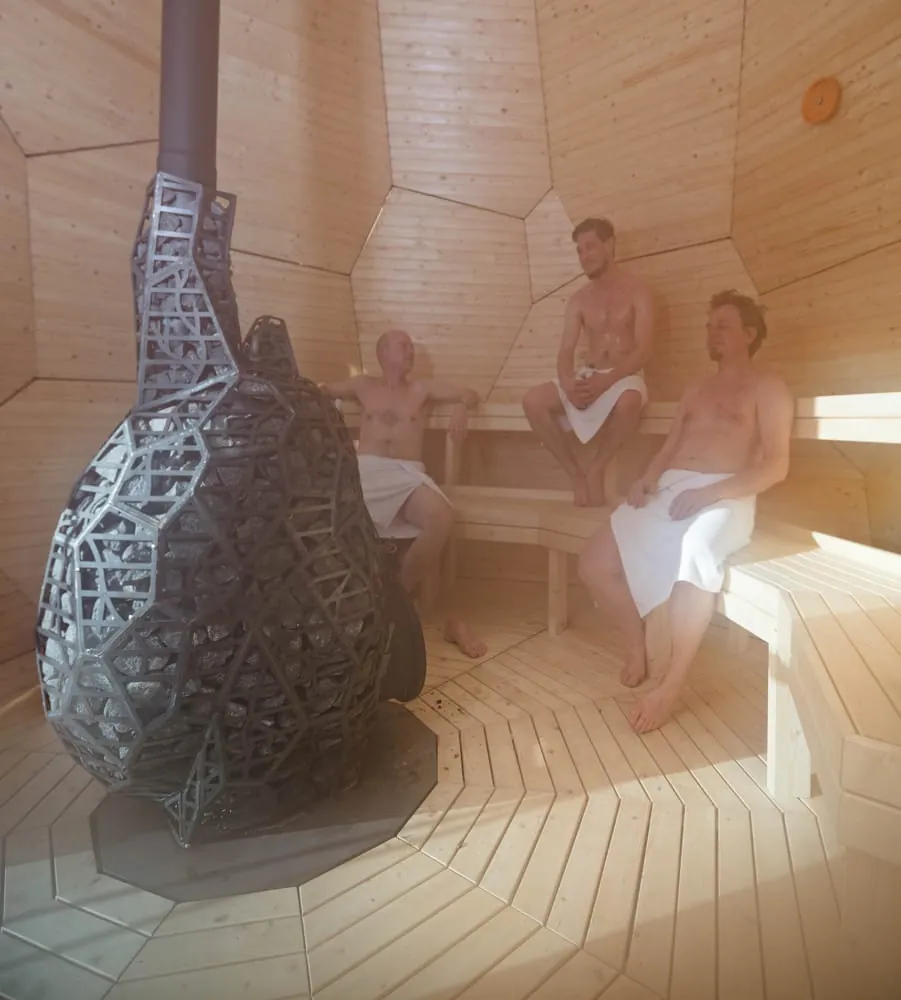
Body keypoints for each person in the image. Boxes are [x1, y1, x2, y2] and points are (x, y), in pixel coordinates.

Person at [577, 290, 794, 733]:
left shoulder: (769, 388)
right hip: (670, 488)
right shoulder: (696, 389)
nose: (712, 333)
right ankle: (636, 642)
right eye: (709, 326)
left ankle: (671, 686)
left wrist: (712, 492)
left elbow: (776, 465)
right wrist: (647, 478)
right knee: (593, 562)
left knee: (697, 550)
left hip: (727, 494)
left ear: (750, 334)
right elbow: (671, 445)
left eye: (723, 326)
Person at [325, 329, 487, 658]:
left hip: (406, 473)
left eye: (412, 347)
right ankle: (343, 611)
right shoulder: (363, 385)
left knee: (441, 517)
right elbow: (319, 390)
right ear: (383, 352)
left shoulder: (420, 389)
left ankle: (393, 598)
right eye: (403, 346)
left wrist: (461, 407)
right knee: (332, 521)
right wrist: (328, 407)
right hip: (367, 472)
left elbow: (470, 393)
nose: (410, 352)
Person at [522, 217, 654, 507]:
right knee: (533, 401)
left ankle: (596, 468)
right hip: (588, 374)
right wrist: (568, 382)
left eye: (590, 247)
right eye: (579, 250)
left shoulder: (638, 291)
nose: (584, 256)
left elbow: (644, 350)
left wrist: (607, 380)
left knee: (630, 401)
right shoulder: (579, 300)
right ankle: (575, 474)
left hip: (623, 376)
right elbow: (566, 350)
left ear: (610, 245)